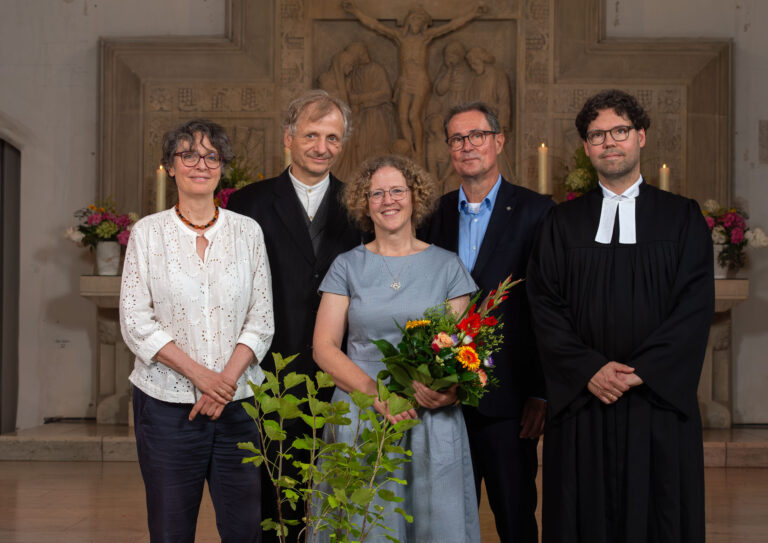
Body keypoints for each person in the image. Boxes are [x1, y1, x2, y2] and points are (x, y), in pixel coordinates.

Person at [526, 89, 713, 543]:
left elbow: (694, 307)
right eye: (597, 135)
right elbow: (544, 306)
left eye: (619, 131)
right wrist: (590, 369)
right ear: (586, 148)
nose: (609, 142)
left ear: (641, 136)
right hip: (585, 402)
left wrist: (639, 373)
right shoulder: (561, 223)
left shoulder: (682, 218)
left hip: (655, 402)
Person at [119, 119, 274, 543]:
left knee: (245, 531)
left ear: (223, 166)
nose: (200, 164)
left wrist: (222, 383)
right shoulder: (148, 234)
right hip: (166, 406)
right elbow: (135, 321)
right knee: (171, 530)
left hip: (238, 405)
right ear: (171, 166)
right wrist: (201, 377)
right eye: (188, 154)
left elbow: (261, 320)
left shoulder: (248, 232)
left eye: (211, 155)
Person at [313, 154, 481, 542]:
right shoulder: (346, 266)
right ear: (364, 203)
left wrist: (449, 392)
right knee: (365, 521)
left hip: (430, 415)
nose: (388, 200)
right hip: (361, 411)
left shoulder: (448, 267)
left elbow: (460, 352)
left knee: (432, 521)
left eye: (397, 191)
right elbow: (323, 347)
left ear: (414, 197)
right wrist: (377, 396)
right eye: (377, 193)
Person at [227, 89, 362, 543]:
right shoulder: (248, 203)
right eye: (311, 134)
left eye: (332, 138)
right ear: (288, 137)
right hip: (271, 370)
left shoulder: (361, 204)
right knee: (274, 493)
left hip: (342, 369)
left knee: (339, 490)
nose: (321, 147)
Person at [423, 101, 553, 543]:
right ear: (449, 149)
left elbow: (546, 308)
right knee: (444, 521)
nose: (468, 145)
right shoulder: (432, 215)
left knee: (515, 516)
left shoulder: (539, 212)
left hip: (510, 400)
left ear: (498, 141)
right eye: (458, 138)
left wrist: (540, 391)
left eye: (477, 135)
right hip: (443, 399)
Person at [342, 1, 486, 162]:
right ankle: (408, 149)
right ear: (409, 21)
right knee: (402, 117)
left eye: (420, 21)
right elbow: (376, 26)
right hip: (405, 81)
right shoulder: (400, 37)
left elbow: (450, 27)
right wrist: (355, 12)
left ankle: (419, 152)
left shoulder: (425, 38)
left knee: (413, 116)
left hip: (420, 81)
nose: (417, 24)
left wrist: (472, 15)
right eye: (414, 20)